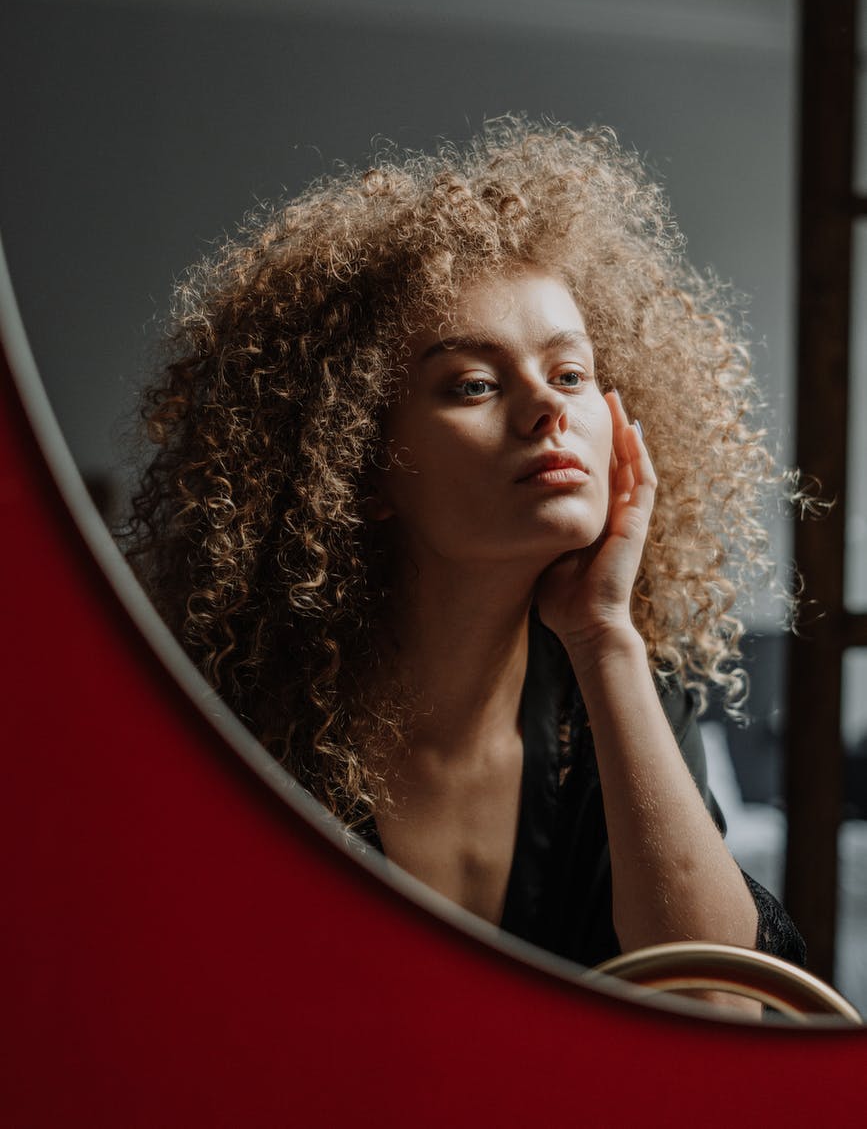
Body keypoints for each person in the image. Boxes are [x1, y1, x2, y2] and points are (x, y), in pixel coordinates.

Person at [125, 118, 806, 999]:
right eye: (474, 384)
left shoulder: (619, 696)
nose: (547, 409)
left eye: (569, 374)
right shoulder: (226, 720)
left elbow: (719, 1010)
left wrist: (604, 636)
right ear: (355, 461)